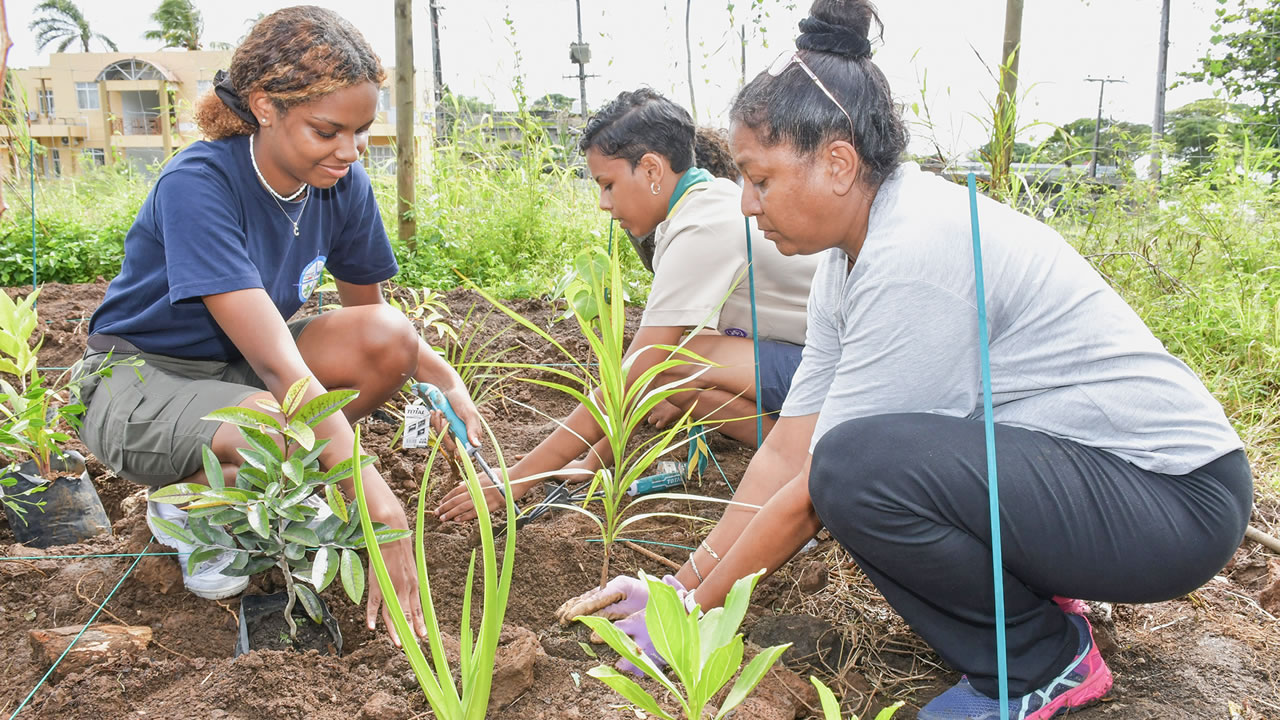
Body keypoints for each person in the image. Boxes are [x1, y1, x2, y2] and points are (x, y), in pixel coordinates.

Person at [560, 3, 1253, 719]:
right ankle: (1034, 611)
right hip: (1099, 484)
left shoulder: (915, 251)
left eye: (760, 179)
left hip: (1175, 504)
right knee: (845, 460)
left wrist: (687, 616)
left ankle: (1040, 663)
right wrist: (681, 587)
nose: (746, 205)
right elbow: (784, 453)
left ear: (837, 162)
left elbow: (814, 489)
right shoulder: (847, 259)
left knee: (858, 469)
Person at [74, 6, 482, 646]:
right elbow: (281, 369)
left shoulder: (342, 183)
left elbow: (367, 322)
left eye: (361, 131)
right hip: (141, 382)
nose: (348, 151)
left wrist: (444, 380)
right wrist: (376, 503)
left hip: (242, 377)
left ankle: (261, 491)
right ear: (264, 106)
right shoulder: (200, 184)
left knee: (391, 338)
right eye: (327, 131)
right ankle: (191, 510)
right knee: (284, 426)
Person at [436, 89, 820, 522]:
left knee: (673, 363)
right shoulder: (700, 205)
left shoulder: (703, 227)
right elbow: (646, 378)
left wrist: (519, 478)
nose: (603, 203)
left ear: (652, 168)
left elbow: (637, 372)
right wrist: (591, 460)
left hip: (827, 373)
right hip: (804, 371)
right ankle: (802, 452)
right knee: (677, 378)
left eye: (607, 184)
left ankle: (800, 452)